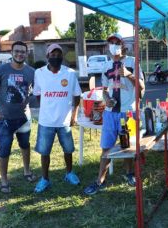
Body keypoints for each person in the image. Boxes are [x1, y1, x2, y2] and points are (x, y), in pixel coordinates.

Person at [84, 33, 145, 195]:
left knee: (128, 147)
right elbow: (104, 90)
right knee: (106, 148)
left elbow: (142, 88)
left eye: (116, 42)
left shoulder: (132, 62)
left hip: (128, 113)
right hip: (110, 113)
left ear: (123, 45)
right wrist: (107, 99)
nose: (113, 45)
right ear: (107, 46)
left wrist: (129, 75)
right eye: (110, 42)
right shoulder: (106, 66)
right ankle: (100, 181)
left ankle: (129, 173)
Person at [0, 41, 36, 193]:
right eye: (17, 51)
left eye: (22, 51)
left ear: (26, 53)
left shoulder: (31, 72)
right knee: (4, 149)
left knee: (25, 145)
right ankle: (4, 180)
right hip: (5, 119)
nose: (19, 54)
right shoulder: (2, 69)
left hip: (24, 118)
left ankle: (27, 171)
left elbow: (38, 91)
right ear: (12, 52)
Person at [33, 43, 82, 193]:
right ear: (47, 57)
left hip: (64, 121)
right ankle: (45, 179)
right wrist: (48, 108)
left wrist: (73, 115)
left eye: (58, 55)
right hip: (46, 121)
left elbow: (77, 95)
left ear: (62, 57)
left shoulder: (70, 73)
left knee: (68, 149)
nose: (56, 57)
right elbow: (37, 95)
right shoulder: (39, 73)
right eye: (52, 55)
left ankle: (69, 173)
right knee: (44, 152)